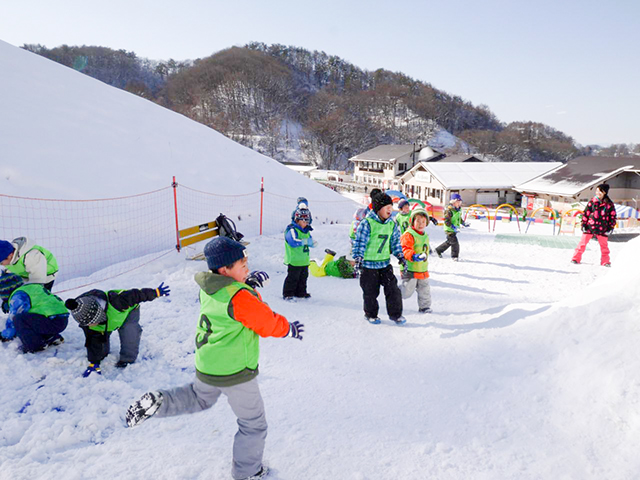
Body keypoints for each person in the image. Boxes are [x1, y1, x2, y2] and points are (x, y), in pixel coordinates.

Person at [125, 236, 304, 480]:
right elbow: (265, 322)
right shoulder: (239, 296)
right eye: (242, 266)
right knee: (253, 423)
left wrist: (245, 284)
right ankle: (248, 472)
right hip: (235, 372)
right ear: (224, 270)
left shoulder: (209, 289)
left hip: (208, 364)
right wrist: (288, 328)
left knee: (199, 399)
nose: (247, 269)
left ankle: (160, 403)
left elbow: (230, 301)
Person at [65, 282, 170, 377]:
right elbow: (92, 341)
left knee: (129, 333)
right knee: (97, 341)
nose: (91, 326)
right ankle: (101, 354)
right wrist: (94, 361)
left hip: (127, 314)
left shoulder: (118, 301)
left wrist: (155, 292)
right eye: (88, 324)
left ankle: (127, 359)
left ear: (97, 314)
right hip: (107, 321)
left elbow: (136, 295)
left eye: (92, 322)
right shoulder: (87, 320)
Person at [352, 191, 407, 325]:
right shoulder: (367, 223)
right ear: (377, 208)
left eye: (391, 206)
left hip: (384, 265)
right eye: (386, 206)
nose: (390, 209)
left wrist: (400, 255)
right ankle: (370, 314)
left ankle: (396, 315)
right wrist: (358, 258)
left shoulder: (391, 224)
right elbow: (360, 242)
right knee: (370, 292)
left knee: (393, 289)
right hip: (369, 266)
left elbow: (395, 242)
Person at [0, 271, 68, 352]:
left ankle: (34, 345)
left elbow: (14, 317)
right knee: (31, 317)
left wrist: (4, 335)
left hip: (52, 322)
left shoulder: (18, 296)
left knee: (19, 319)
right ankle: (51, 337)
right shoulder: (32, 288)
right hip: (61, 319)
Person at [571, 183, 617, 267]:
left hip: (603, 228)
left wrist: (610, 227)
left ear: (604, 192)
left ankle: (605, 261)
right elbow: (586, 213)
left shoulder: (609, 204)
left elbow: (613, 216)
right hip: (590, 226)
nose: (597, 193)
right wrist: (584, 224)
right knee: (582, 243)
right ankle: (575, 258)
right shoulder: (592, 202)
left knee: (604, 246)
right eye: (597, 191)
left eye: (600, 191)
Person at [400, 207, 432, 313]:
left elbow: (424, 246)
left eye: (423, 221)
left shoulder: (425, 235)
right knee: (407, 291)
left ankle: (425, 306)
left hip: (422, 269)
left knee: (425, 289)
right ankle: (394, 293)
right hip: (411, 269)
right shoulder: (409, 235)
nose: (421, 224)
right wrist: (413, 256)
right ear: (412, 221)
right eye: (418, 221)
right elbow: (405, 249)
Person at [283, 207, 316, 300]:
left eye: (307, 222)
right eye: (304, 221)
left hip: (304, 260)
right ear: (297, 220)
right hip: (294, 260)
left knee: (303, 278)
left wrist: (312, 243)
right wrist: (306, 242)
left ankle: (301, 292)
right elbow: (293, 242)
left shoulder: (306, 231)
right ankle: (288, 293)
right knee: (293, 278)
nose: (306, 224)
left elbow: (309, 240)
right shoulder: (292, 230)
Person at [435, 193, 469, 261]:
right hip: (449, 229)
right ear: (453, 202)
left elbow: (459, 218)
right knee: (455, 243)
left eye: (460, 202)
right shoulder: (449, 210)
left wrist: (463, 223)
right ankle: (454, 256)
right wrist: (452, 226)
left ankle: (438, 250)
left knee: (449, 242)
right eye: (458, 202)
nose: (459, 203)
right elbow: (447, 221)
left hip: (454, 229)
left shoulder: (458, 210)